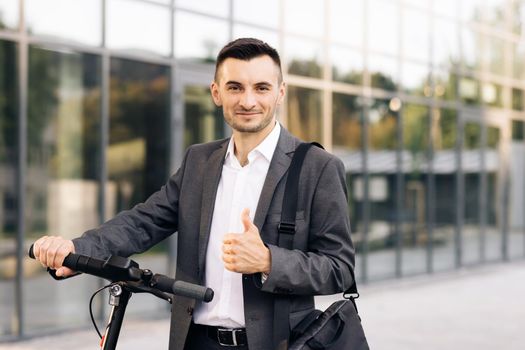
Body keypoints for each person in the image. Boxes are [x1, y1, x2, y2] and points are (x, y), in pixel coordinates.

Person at [32, 38, 355, 350]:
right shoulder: (199, 160)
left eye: (261, 87)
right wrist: (79, 248)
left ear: (280, 93)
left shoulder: (317, 167)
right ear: (216, 93)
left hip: (277, 343)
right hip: (195, 341)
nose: (248, 101)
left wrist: (269, 260)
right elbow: (144, 221)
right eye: (234, 87)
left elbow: (340, 268)